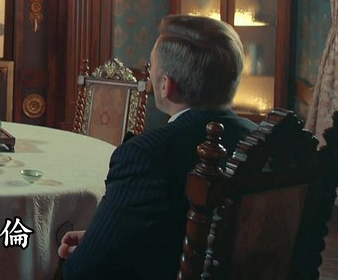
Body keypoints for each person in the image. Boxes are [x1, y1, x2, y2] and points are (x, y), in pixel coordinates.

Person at [59, 15, 259, 280]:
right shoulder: (259, 141)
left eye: (152, 66)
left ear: (166, 85)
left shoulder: (146, 156)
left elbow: (84, 273)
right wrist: (101, 238)